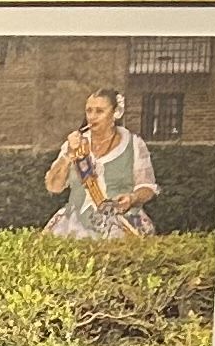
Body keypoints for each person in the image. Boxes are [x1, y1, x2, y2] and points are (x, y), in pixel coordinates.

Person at [40, 86, 160, 241]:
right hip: (74, 224)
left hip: (121, 223)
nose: (92, 116)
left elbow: (147, 188)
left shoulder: (134, 145)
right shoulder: (75, 144)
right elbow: (53, 187)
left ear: (116, 113)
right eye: (89, 111)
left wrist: (132, 198)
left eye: (99, 111)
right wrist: (68, 156)